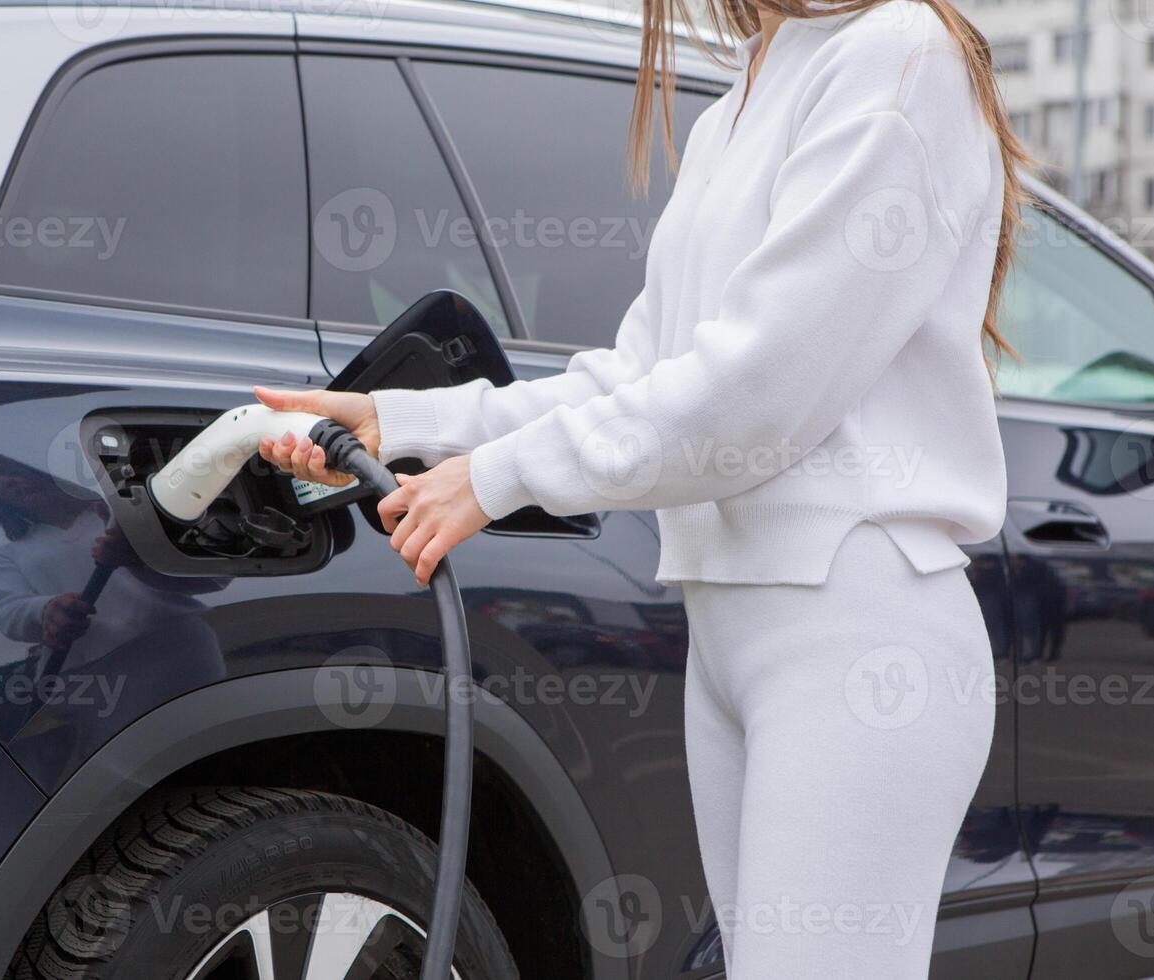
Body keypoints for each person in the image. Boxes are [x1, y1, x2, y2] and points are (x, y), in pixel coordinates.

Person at [255, 0, 1027, 974]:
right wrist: (410, 425)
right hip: (732, 628)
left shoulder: (899, 50)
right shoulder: (743, 93)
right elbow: (642, 372)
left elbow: (761, 387)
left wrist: (495, 478)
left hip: (856, 625)